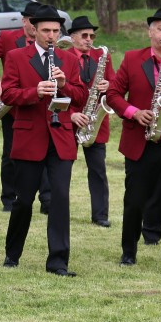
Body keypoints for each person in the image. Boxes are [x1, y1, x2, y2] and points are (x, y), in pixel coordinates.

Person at [1, 4, 87, 276]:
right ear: (34, 31)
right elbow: (8, 95)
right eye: (45, 31)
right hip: (29, 137)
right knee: (23, 200)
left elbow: (80, 96)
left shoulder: (69, 60)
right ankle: (12, 253)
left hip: (60, 137)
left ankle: (58, 261)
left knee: (60, 199)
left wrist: (64, 86)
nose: (51, 36)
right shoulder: (16, 56)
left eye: (55, 31)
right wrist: (34, 92)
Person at [106, 6, 161, 274]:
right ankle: (128, 252)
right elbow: (113, 94)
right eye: (160, 29)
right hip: (143, 142)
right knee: (135, 201)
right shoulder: (133, 59)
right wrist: (133, 112)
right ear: (149, 32)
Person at [0, 1, 52, 214]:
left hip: (42, 106)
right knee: (10, 153)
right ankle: (9, 199)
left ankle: (47, 200)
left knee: (46, 153)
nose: (36, 27)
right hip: (14, 106)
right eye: (32, 22)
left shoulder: (50, 41)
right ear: (25, 21)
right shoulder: (8, 38)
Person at [67, 16, 115, 227]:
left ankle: (100, 214)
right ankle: (52, 206)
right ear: (72, 37)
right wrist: (70, 114)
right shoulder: (62, 55)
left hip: (95, 120)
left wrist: (108, 85)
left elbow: (115, 83)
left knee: (98, 170)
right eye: (84, 36)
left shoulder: (102, 55)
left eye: (92, 36)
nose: (89, 40)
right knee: (61, 170)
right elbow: (55, 90)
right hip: (71, 118)